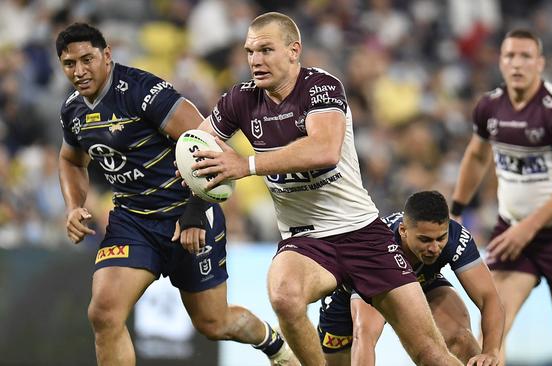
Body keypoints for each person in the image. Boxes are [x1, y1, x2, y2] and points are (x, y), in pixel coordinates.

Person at [190, 12, 463, 366]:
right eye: (250, 51)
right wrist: (193, 206)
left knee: (431, 354)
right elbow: (195, 146)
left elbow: (324, 150)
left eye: (266, 50)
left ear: (294, 51)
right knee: (284, 296)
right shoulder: (240, 100)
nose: (255, 60)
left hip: (363, 232)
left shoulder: (322, 86)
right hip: (306, 241)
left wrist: (247, 165)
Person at [55, 23, 296, 366]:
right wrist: (74, 206)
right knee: (104, 314)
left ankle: (273, 344)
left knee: (214, 323)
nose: (79, 71)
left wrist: (196, 211)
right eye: (69, 64)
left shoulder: (143, 91)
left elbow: (207, 142)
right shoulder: (73, 110)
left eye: (87, 59)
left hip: (186, 214)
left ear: (106, 55)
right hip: (133, 222)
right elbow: (70, 159)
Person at [450, 29, 552, 365]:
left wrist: (528, 228)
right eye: (510, 56)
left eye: (525, 56)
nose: (517, 63)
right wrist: (457, 209)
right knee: (492, 334)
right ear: (500, 62)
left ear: (540, 63)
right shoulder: (490, 107)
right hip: (513, 232)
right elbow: (477, 156)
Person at [318, 190, 504, 366]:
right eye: (425, 240)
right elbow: (364, 334)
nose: (434, 248)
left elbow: (490, 298)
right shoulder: (378, 248)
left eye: (440, 238)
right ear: (403, 230)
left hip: (421, 279)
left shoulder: (456, 237)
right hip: (365, 288)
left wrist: (491, 351)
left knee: (459, 338)